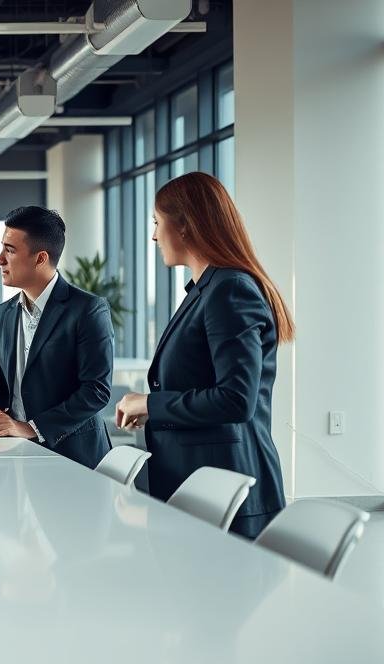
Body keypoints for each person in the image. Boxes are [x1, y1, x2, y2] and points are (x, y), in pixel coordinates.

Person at [115, 171, 293, 539]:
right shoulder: (208, 289)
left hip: (227, 488)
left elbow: (235, 400)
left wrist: (150, 403)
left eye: (156, 223)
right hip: (199, 483)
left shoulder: (229, 291)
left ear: (185, 227)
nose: (153, 236)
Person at [0, 206, 114, 469]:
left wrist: (30, 428)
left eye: (10, 250)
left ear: (40, 259)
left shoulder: (88, 309)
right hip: (12, 455)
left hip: (74, 458)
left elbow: (96, 390)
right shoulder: (1, 315)